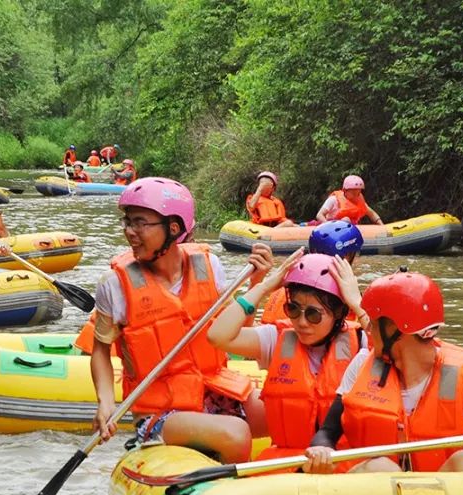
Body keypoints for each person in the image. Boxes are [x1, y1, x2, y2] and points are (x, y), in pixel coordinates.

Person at [302, 270, 463, 475]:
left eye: (373, 323)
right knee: (381, 467)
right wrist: (322, 449)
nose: (367, 330)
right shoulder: (362, 363)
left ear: (396, 329)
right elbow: (328, 431)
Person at [90, 177, 275, 464]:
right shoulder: (114, 285)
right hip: (161, 413)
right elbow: (100, 350)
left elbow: (234, 336)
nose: (130, 232)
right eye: (127, 222)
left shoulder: (209, 266)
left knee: (289, 411)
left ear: (173, 228)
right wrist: (105, 403)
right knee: (237, 433)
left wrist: (256, 285)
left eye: (140, 223)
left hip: (217, 393)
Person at [208, 252, 366, 460]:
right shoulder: (276, 338)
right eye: (292, 309)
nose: (301, 322)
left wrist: (357, 303)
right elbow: (217, 336)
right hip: (285, 465)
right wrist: (263, 287)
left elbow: (398, 348)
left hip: (341, 463)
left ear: (338, 313)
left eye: (313, 314)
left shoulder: (362, 342)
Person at [261, 220, 365, 326]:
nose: (357, 260)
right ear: (345, 257)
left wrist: (259, 284)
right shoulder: (347, 298)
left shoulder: (287, 289)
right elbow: (373, 336)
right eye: (356, 255)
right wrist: (358, 306)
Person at [314, 175, 383, 225]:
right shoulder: (333, 200)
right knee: (346, 219)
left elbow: (372, 214)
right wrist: (328, 226)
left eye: (358, 193)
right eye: (353, 193)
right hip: (332, 226)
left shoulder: (359, 202)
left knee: (347, 220)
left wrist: (381, 225)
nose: (356, 196)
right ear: (345, 190)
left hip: (349, 229)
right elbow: (319, 215)